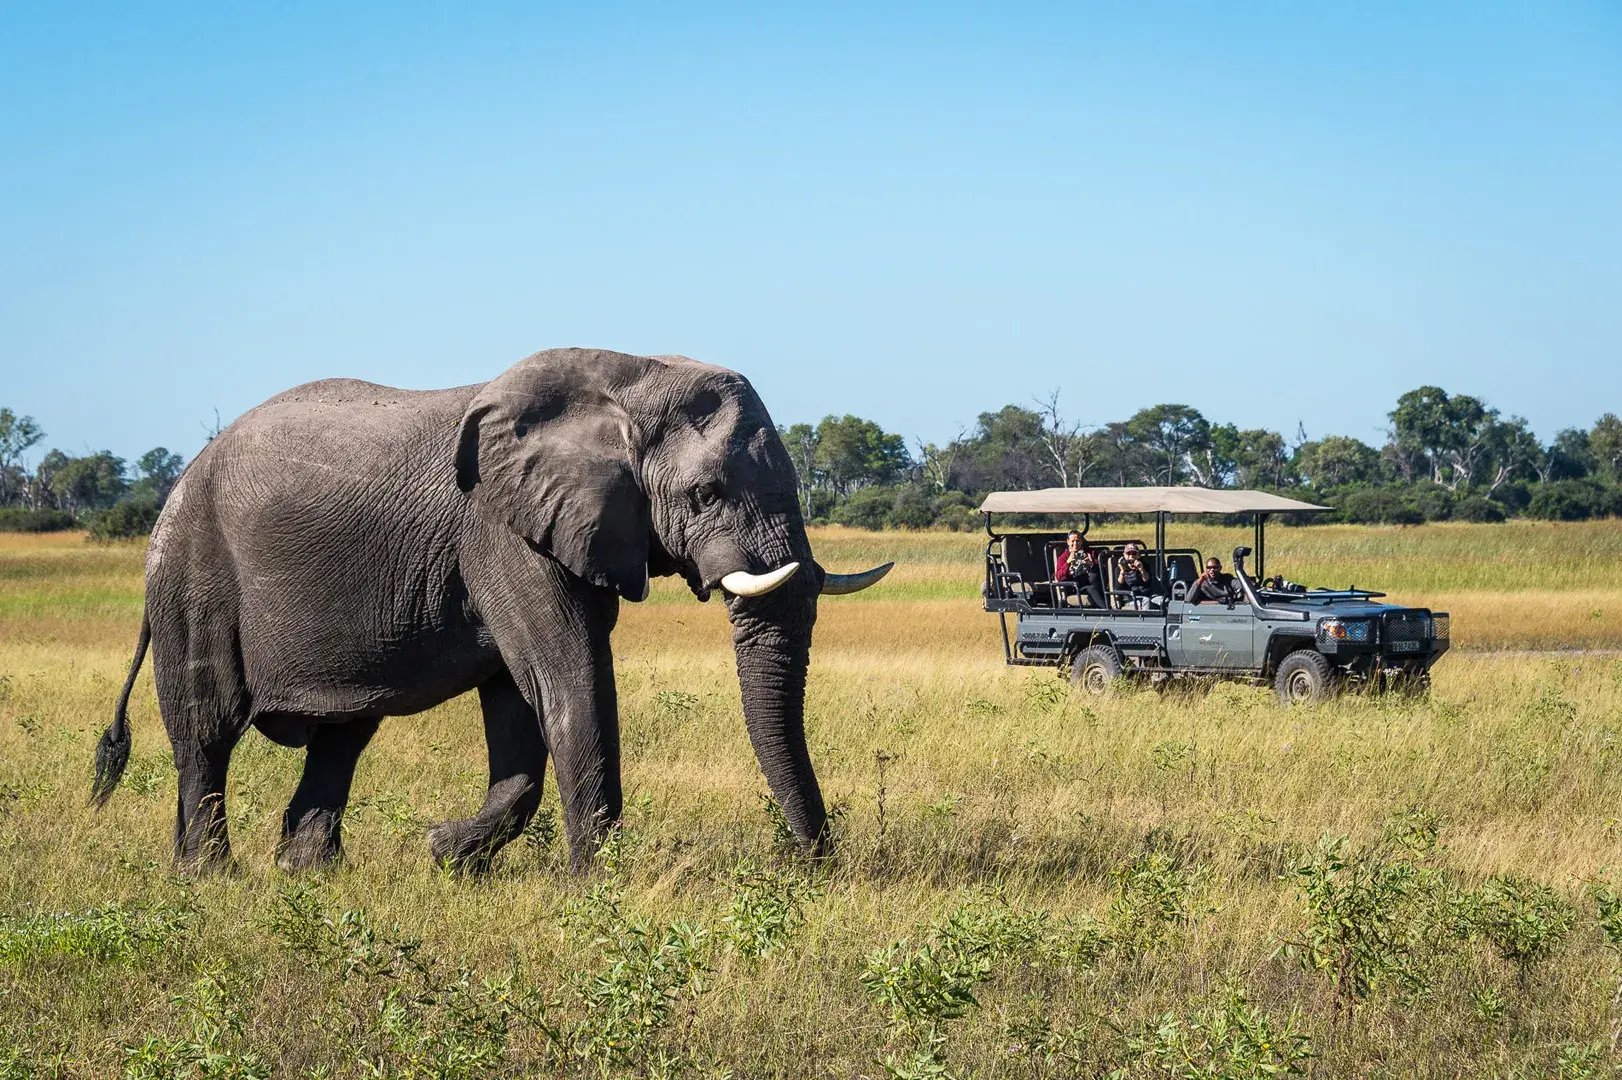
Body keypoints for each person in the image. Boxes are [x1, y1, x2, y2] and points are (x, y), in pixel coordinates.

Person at [1055, 530, 1106, 608]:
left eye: (1078, 541)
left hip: (1092, 582)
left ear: (1081, 542)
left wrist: (1092, 564)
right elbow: (1058, 576)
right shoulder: (1063, 557)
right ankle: (1106, 610)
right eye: (1073, 541)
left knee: (1095, 580)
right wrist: (1068, 562)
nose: (1075, 544)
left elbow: (1102, 571)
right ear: (1068, 542)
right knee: (1092, 588)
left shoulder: (1089, 553)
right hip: (1075, 586)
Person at [1115, 542, 1156, 607]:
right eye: (1128, 553)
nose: (1131, 556)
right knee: (1146, 601)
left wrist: (1142, 570)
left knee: (1164, 600)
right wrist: (1123, 571)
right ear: (1124, 555)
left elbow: (1147, 581)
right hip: (1130, 598)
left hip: (1146, 594)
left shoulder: (1144, 565)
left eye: (1134, 553)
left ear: (1138, 555)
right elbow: (1118, 588)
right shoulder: (1119, 568)